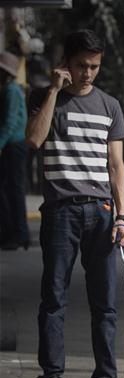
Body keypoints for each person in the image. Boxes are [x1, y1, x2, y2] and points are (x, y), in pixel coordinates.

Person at [25, 29, 124, 378]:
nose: (88, 73)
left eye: (95, 66)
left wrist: (122, 217)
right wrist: (53, 91)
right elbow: (34, 140)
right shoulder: (44, 97)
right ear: (66, 63)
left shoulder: (109, 106)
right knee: (53, 299)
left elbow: (116, 166)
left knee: (105, 303)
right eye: (82, 65)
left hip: (101, 213)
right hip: (60, 212)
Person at [0, 50, 29, 250]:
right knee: (11, 189)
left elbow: (9, 122)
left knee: (13, 190)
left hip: (14, 145)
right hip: (14, 144)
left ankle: (18, 234)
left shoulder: (11, 90)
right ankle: (16, 233)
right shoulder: (11, 89)